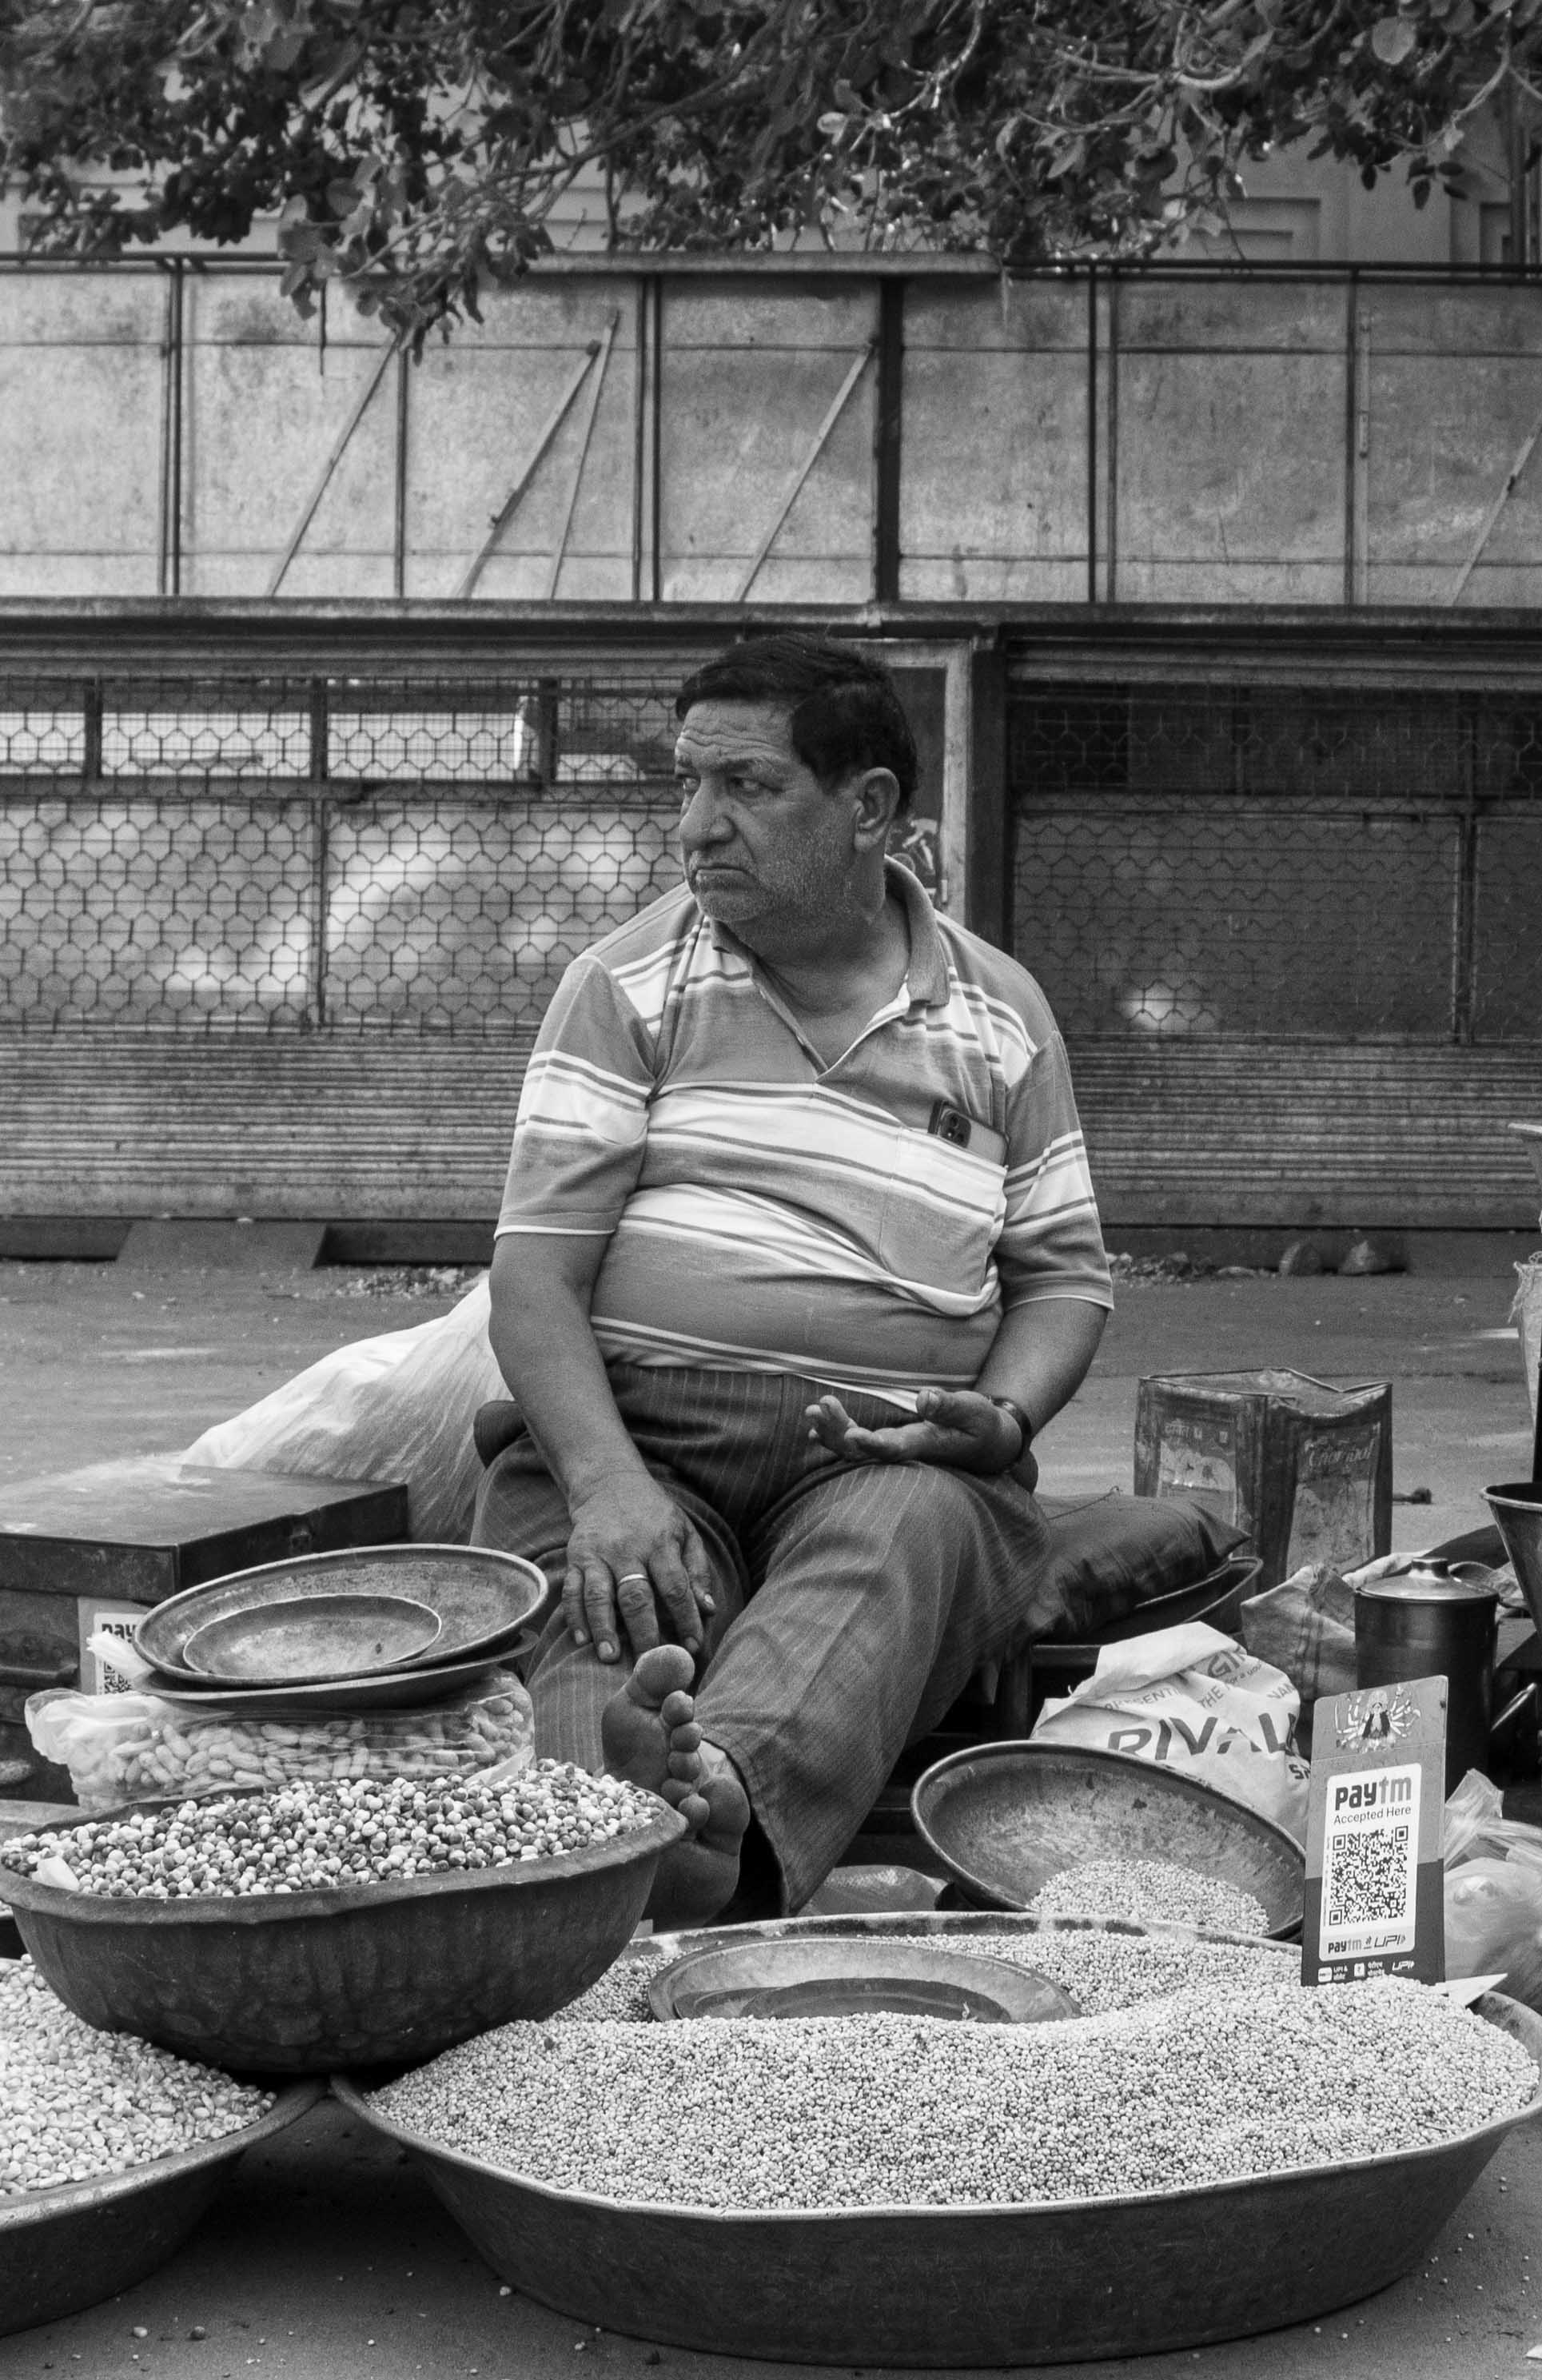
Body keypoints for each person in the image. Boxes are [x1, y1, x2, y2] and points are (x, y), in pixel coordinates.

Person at [476, 633, 1112, 1925]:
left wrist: (1003, 1419)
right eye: (686, 784)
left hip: (883, 1454)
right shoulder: (624, 985)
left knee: (902, 1543)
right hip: (638, 1429)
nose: (696, 827)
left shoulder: (999, 1014)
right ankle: (613, 1818)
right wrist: (606, 1487)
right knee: (607, 1594)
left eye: (748, 788)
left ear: (867, 807)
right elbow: (532, 1279)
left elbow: (1062, 1281)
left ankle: (707, 1824)